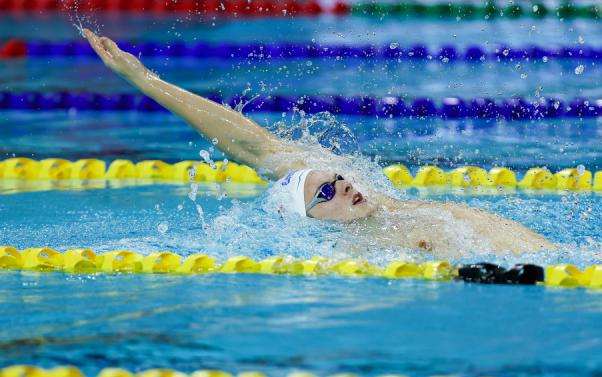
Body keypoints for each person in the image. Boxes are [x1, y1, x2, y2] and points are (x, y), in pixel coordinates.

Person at [83, 29, 555, 259]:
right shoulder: (359, 250)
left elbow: (251, 145)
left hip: (551, 253)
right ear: (309, 221)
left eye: (338, 179)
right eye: (326, 193)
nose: (344, 186)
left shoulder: (380, 202)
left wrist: (144, 78)